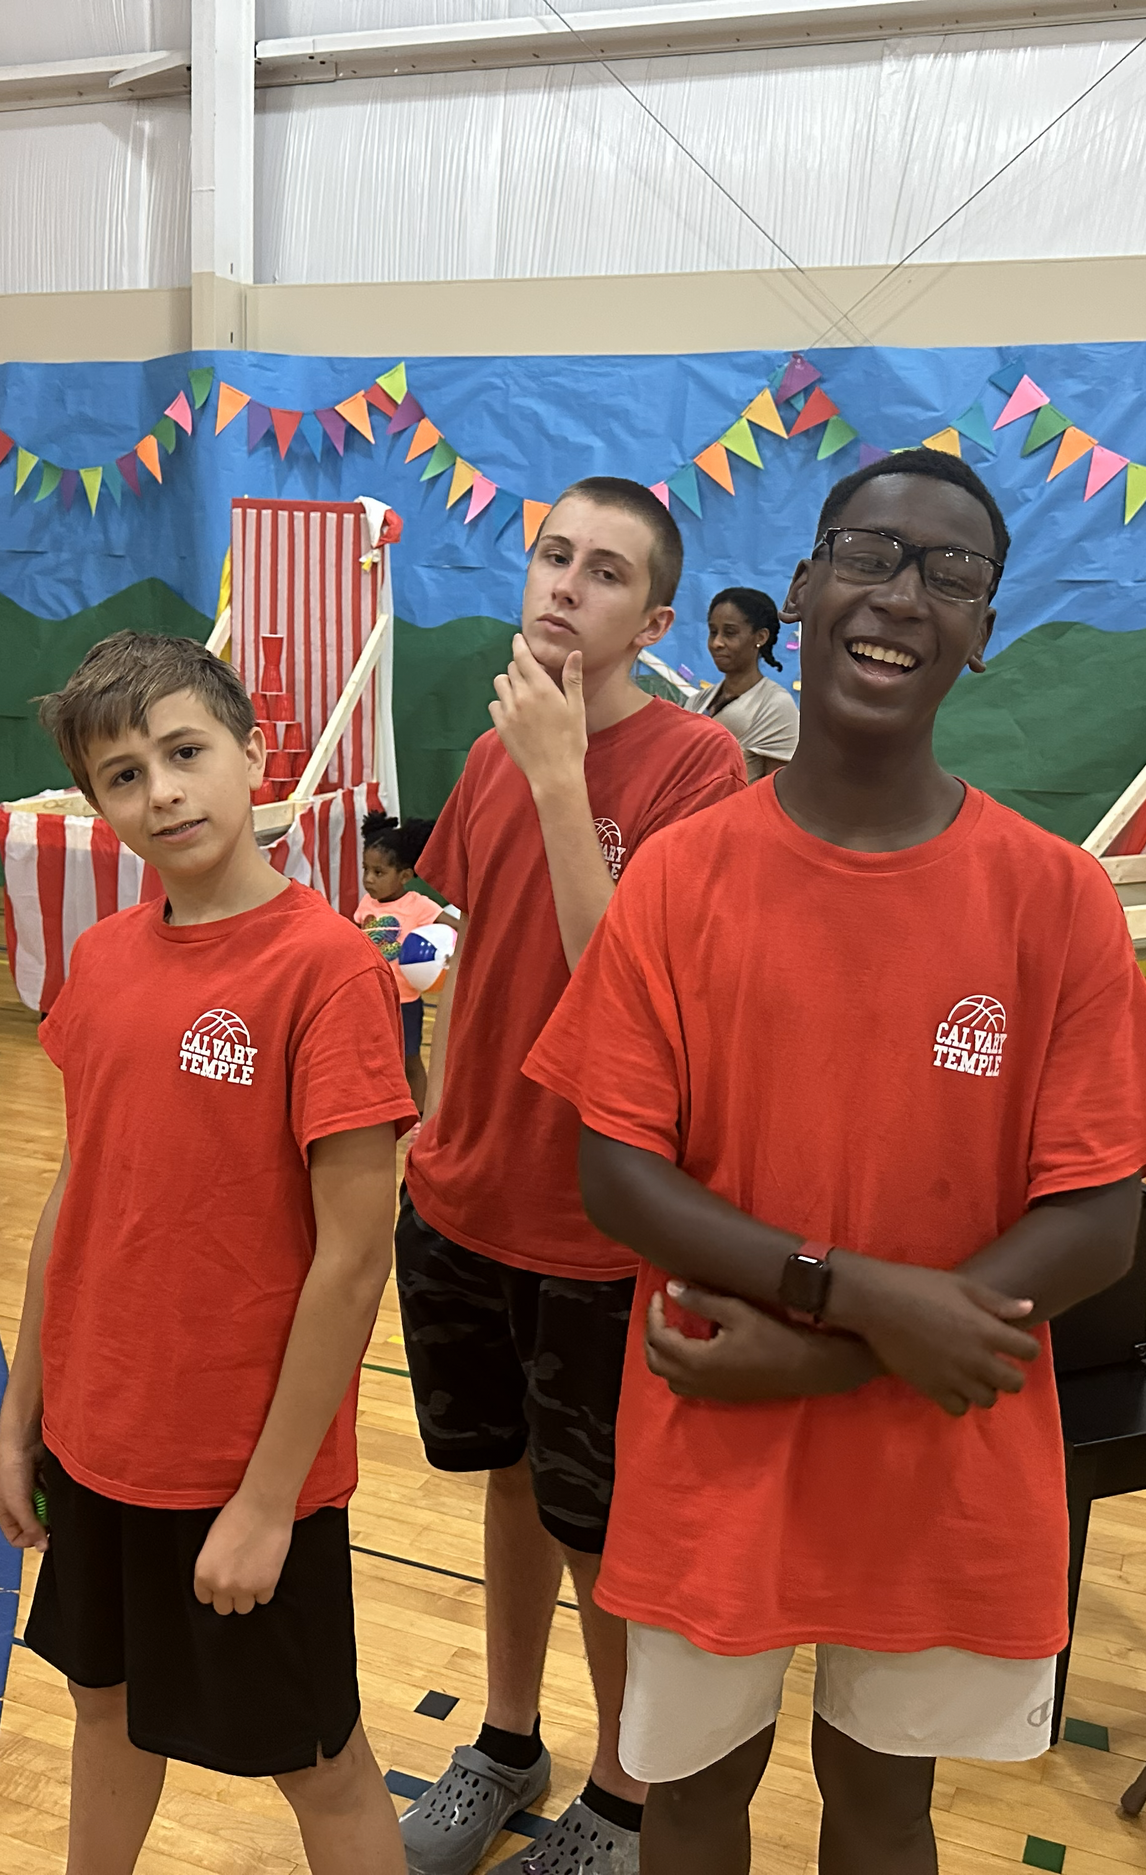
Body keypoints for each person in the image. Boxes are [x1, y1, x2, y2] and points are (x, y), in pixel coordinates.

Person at [522, 450, 1146, 1875]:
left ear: (986, 629)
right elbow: (617, 1172)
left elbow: (1096, 1212)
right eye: (871, 553)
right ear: (804, 587)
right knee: (695, 1796)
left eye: (953, 573)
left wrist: (830, 1348)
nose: (903, 594)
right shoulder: (684, 876)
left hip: (935, 1444)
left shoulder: (1052, 896)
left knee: (887, 1804)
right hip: (719, 1433)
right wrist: (864, 1300)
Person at [0, 633, 416, 1875]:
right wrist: (25, 1413)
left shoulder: (328, 972)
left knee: (317, 1762)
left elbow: (353, 1260)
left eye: (183, 754)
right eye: (123, 775)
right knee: (105, 1707)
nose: (161, 792)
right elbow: (77, 1196)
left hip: (239, 1467)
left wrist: (269, 1501)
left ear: (251, 755)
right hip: (98, 1439)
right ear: (94, 801)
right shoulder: (107, 958)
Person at [396, 479, 747, 1875]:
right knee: (506, 1482)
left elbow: (635, 996)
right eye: (552, 555)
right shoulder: (495, 754)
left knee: (599, 1521)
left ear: (653, 619)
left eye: (604, 573)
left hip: (597, 1220)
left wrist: (559, 772)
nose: (563, 587)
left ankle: (624, 1786)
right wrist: (434, 1127)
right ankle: (505, 1734)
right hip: (465, 1187)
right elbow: (476, 948)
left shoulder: (694, 770)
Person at [357, 811, 442, 1106]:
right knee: (376, 1057)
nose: (368, 879)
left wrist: (447, 956)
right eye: (365, 869)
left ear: (405, 876)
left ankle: (422, 1115)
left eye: (378, 873)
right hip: (371, 998)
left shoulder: (419, 906)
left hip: (405, 1002)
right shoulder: (366, 904)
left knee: (410, 1060)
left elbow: (458, 929)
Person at [685, 588, 796, 782]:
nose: (717, 643)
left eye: (730, 633)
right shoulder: (697, 701)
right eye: (713, 632)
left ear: (761, 637)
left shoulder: (776, 706)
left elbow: (777, 794)